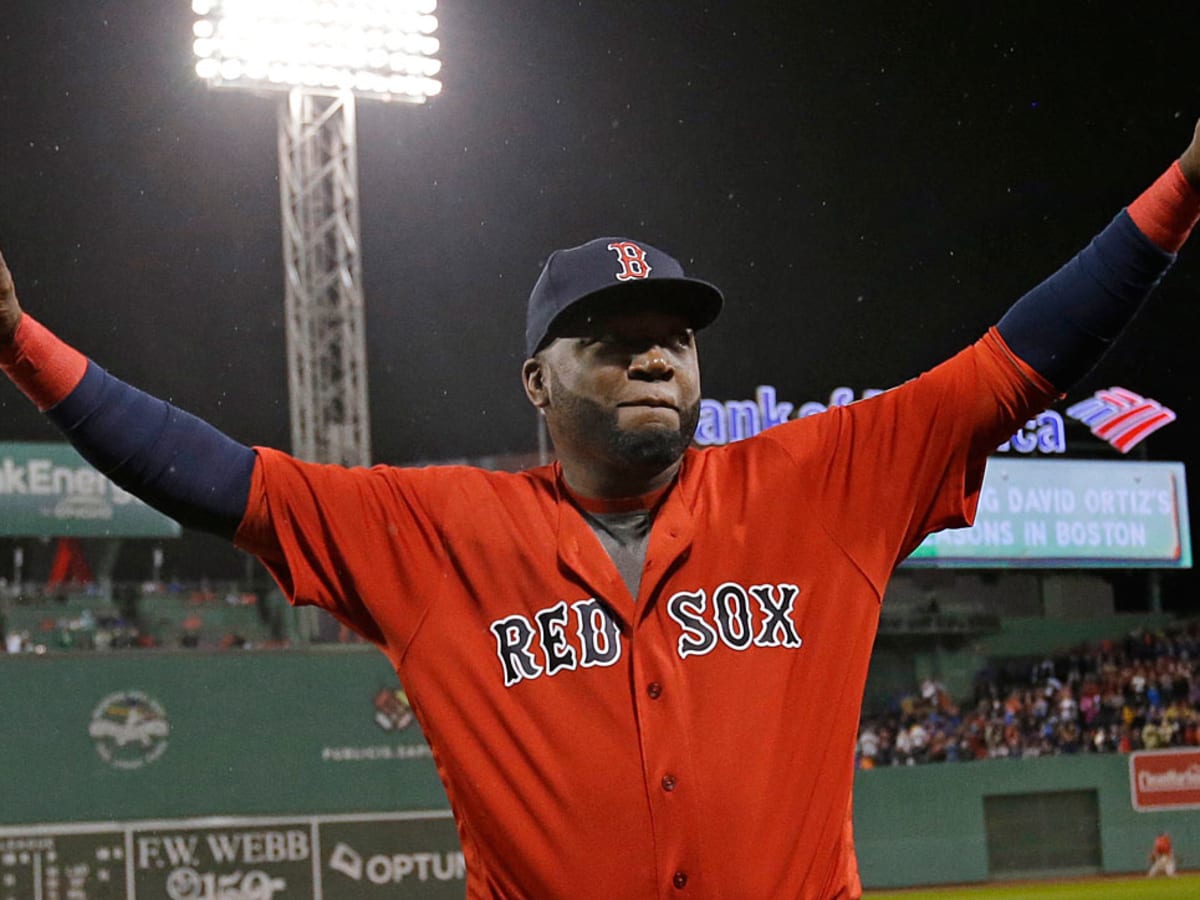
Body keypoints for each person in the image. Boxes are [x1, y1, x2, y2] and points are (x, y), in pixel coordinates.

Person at [2, 122, 1198, 899]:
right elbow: (212, 476)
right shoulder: (436, 536)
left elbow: (1020, 361)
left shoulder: (820, 482)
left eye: (675, 338)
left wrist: (1188, 185)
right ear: (535, 381)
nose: (653, 359)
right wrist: (17, 341)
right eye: (610, 340)